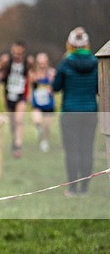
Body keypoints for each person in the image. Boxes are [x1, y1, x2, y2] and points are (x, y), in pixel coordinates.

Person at [53, 27, 98, 197]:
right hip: (90, 112)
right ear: (87, 44)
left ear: (70, 44)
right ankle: (85, 189)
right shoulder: (95, 62)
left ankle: (72, 188)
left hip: (70, 112)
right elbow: (98, 88)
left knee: (71, 151)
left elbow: (56, 87)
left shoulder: (65, 63)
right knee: (87, 150)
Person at [0, 41, 32, 158]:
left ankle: (17, 146)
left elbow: (30, 75)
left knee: (19, 120)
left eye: (19, 53)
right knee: (13, 122)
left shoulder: (27, 62)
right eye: (15, 53)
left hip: (21, 95)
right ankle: (14, 140)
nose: (17, 56)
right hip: (9, 95)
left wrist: (29, 92)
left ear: (23, 52)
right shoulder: (6, 61)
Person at [29, 52, 56, 152]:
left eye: (44, 63)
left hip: (48, 104)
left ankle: (45, 141)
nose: (42, 65)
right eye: (40, 63)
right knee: (37, 120)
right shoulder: (33, 74)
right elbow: (29, 87)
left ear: (47, 62)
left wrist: (51, 85)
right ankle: (39, 130)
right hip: (37, 104)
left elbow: (56, 86)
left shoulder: (52, 73)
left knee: (47, 126)